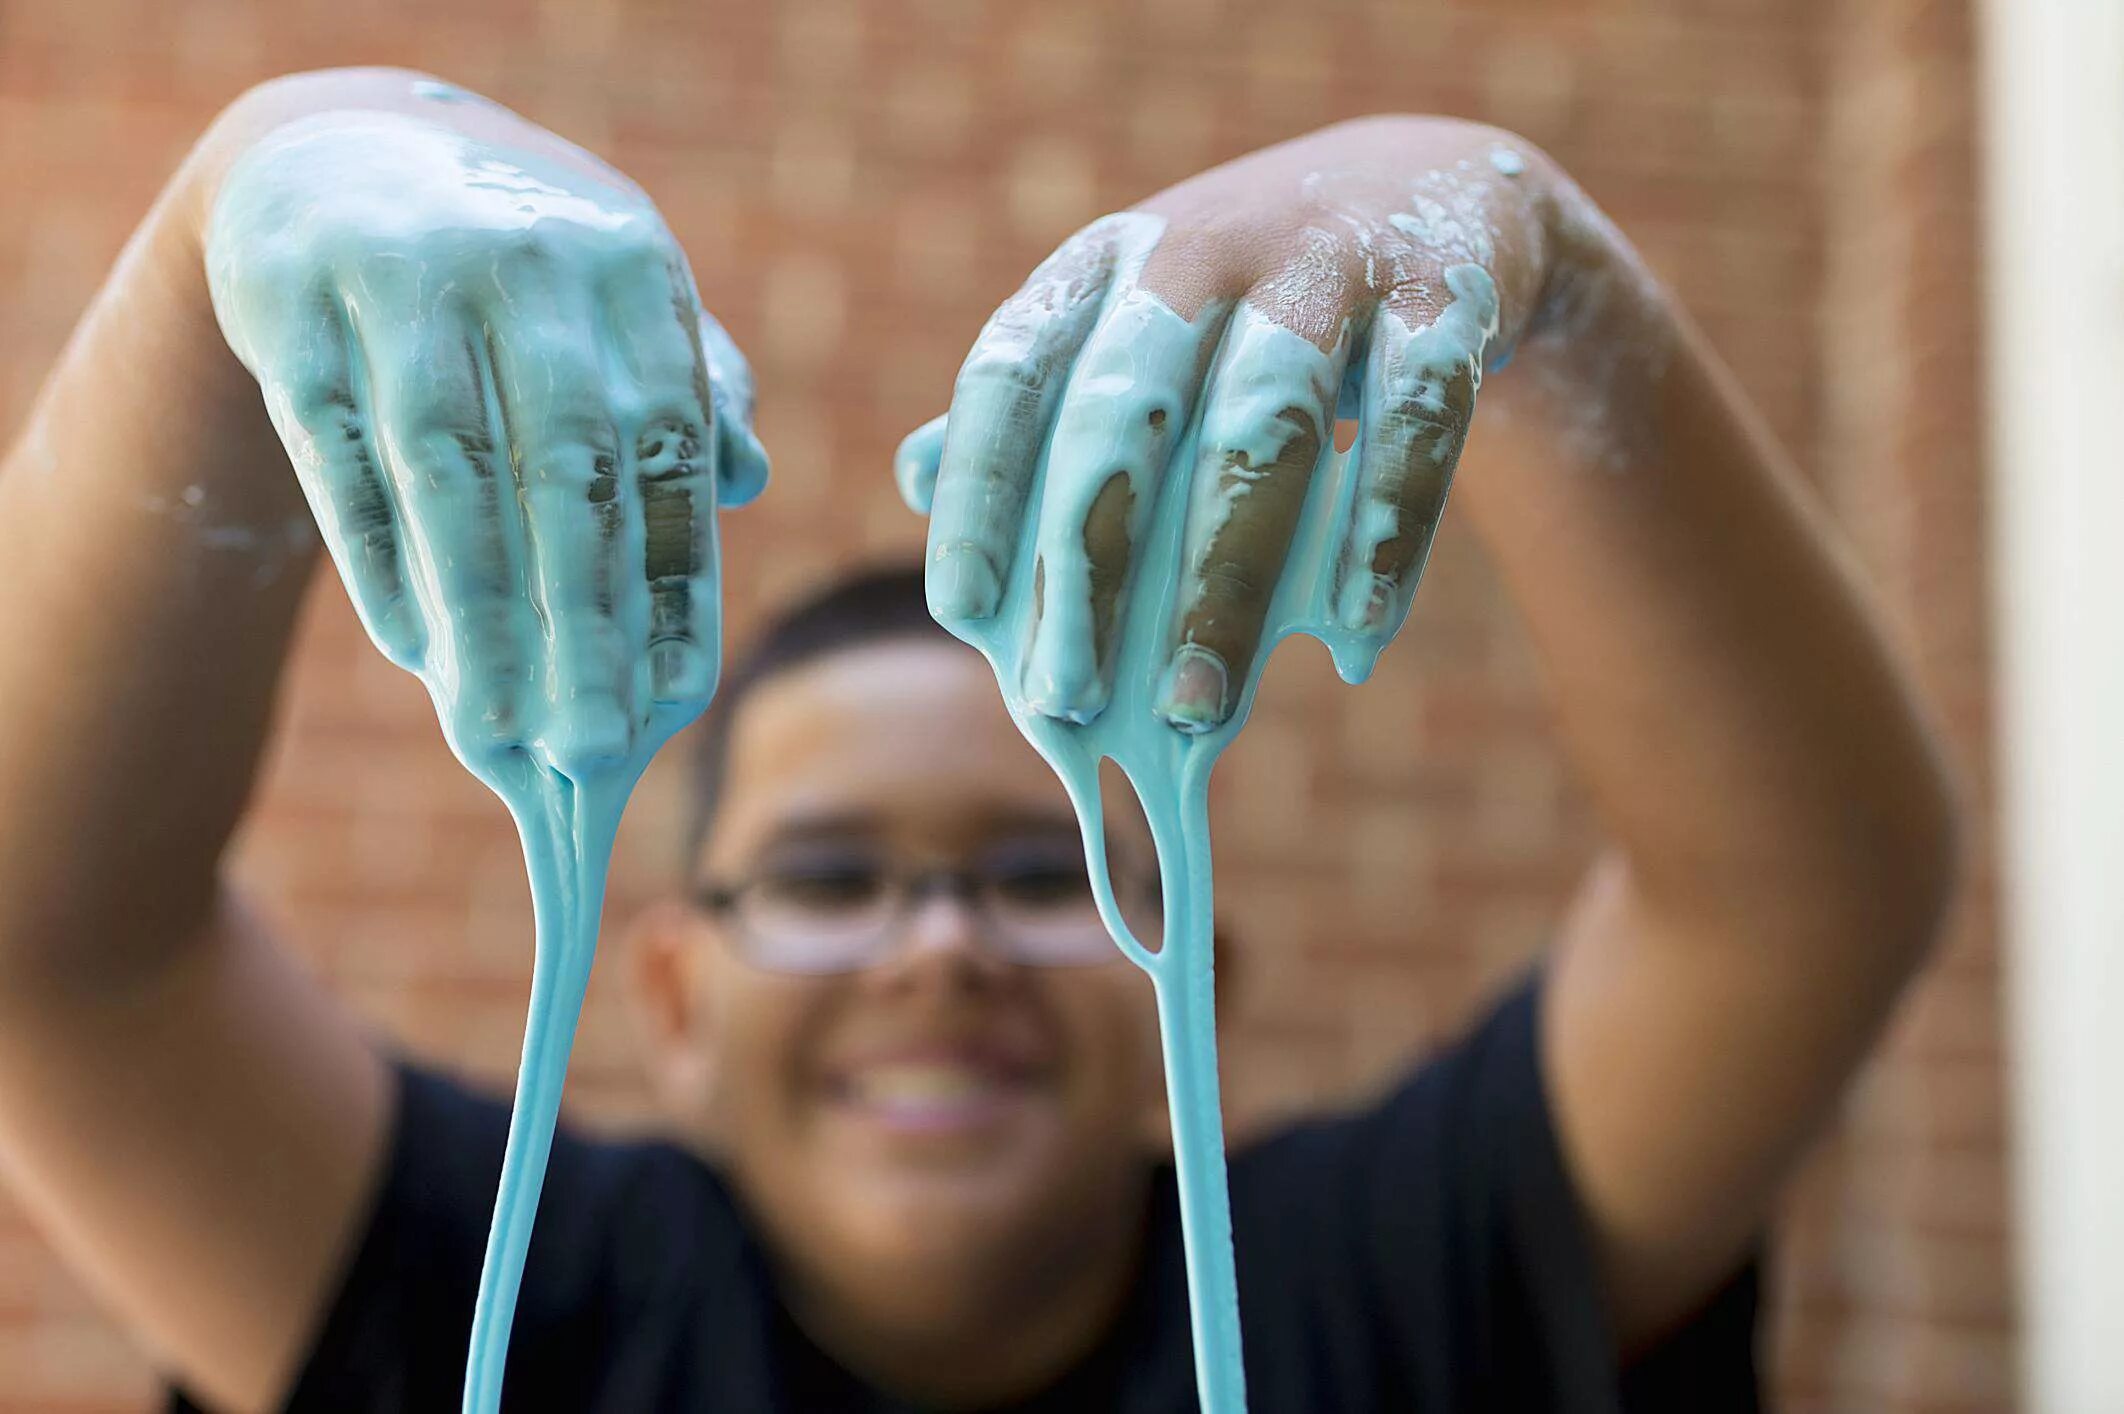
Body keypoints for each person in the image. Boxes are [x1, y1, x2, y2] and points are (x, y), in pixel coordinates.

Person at [0, 67, 1959, 1413]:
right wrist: (227, 211)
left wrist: (1536, 270)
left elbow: (1805, 896)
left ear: (1190, 965)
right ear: (671, 985)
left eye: (1041, 873)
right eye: (833, 875)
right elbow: (50, 950)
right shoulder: (508, 1292)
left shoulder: (1380, 1277)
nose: (940, 944)